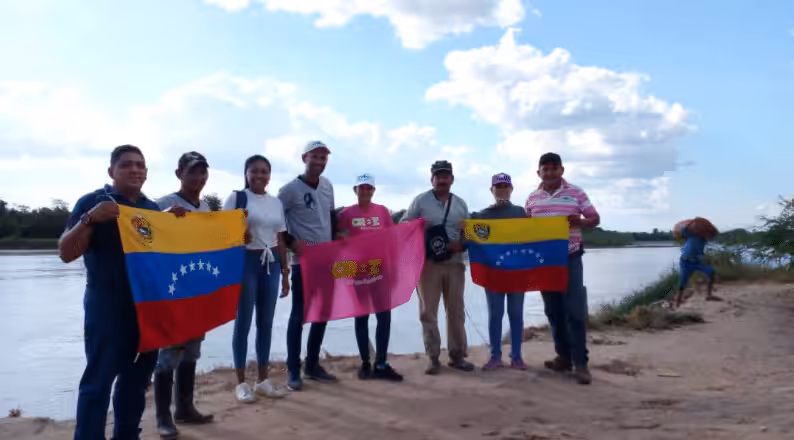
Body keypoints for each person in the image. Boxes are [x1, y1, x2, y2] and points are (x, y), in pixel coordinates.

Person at [59, 145, 161, 440]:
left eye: (140, 165)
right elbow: (67, 253)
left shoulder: (151, 210)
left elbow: (164, 254)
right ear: (111, 171)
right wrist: (90, 218)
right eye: (127, 164)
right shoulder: (93, 202)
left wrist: (175, 223)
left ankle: (127, 435)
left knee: (136, 380)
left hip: (144, 305)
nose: (135, 170)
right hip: (106, 301)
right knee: (98, 381)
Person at [152, 152, 215, 439]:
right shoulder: (162, 205)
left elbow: (214, 244)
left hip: (198, 291)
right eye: (193, 173)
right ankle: (163, 417)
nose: (199, 178)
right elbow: (142, 236)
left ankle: (185, 408)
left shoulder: (206, 207)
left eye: (203, 173)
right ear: (179, 174)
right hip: (171, 292)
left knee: (192, 351)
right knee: (168, 356)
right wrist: (164, 220)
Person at [525, 152, 600, 385]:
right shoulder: (532, 199)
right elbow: (526, 229)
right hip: (544, 261)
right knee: (553, 312)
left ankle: (581, 364)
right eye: (545, 169)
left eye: (554, 168)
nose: (549, 172)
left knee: (575, 312)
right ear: (539, 172)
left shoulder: (576, 193)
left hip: (570, 258)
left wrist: (580, 222)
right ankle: (563, 357)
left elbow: (595, 218)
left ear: (562, 170)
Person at [223, 155, 291, 403]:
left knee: (266, 322)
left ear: (270, 175)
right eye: (255, 172)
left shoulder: (275, 203)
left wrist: (285, 273)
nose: (260, 176)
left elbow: (280, 239)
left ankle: (262, 380)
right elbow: (222, 231)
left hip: (271, 262)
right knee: (243, 322)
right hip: (246, 262)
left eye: (264, 171)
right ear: (246, 174)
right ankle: (241, 383)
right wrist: (238, 232)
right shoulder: (237, 198)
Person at [402, 160, 474, 375]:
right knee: (428, 312)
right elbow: (405, 225)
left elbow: (468, 232)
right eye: (438, 176)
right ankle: (433, 357)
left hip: (455, 263)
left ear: (452, 179)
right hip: (428, 264)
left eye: (446, 176)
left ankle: (457, 355)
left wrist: (461, 244)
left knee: (456, 311)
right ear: (431, 179)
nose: (442, 180)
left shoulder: (460, 204)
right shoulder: (420, 201)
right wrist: (422, 232)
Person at [278, 141, 338, 391]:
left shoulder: (328, 186)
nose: (319, 161)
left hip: (327, 259)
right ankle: (293, 369)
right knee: (299, 315)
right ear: (305, 158)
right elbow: (276, 223)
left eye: (324, 157)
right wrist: (292, 243)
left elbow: (331, 218)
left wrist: (337, 247)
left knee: (323, 313)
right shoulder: (289, 190)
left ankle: (312, 364)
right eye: (315, 156)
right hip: (303, 262)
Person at [337, 173, 404, 382]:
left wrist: (394, 269)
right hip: (358, 271)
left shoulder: (382, 212)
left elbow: (391, 241)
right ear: (355, 190)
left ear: (373, 190)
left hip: (381, 270)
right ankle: (366, 363)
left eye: (369, 188)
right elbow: (339, 243)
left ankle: (381, 363)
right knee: (361, 316)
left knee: (384, 317)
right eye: (361, 188)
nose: (365, 191)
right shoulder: (346, 213)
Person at [470, 173, 529, 371]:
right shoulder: (482, 215)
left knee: (516, 314)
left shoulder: (522, 213)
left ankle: (517, 356)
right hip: (493, 273)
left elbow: (534, 237)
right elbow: (471, 239)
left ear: (512, 189)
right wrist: (466, 226)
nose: (502, 189)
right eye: (498, 186)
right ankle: (495, 356)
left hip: (517, 272)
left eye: (506, 186)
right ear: (492, 190)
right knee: (495, 314)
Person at [673, 217, 720, 307]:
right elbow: (682, 229)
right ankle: (677, 303)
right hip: (685, 263)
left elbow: (710, 235)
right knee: (682, 283)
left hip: (697, 262)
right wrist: (689, 224)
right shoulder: (690, 235)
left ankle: (708, 295)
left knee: (711, 272)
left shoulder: (703, 239)